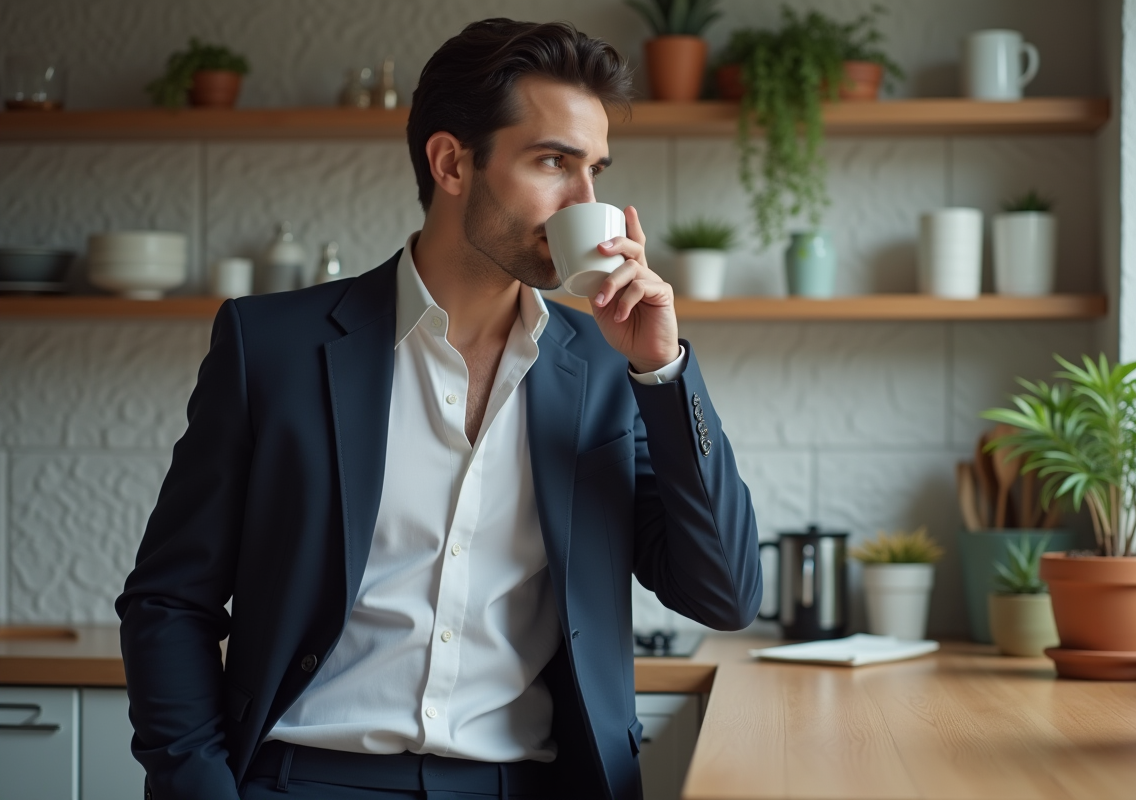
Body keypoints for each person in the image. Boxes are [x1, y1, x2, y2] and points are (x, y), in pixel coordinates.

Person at [117, 18, 761, 800]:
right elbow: (168, 599)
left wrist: (662, 369)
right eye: (554, 162)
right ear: (452, 163)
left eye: (596, 170)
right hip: (305, 779)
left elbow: (723, 594)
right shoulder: (272, 350)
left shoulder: (604, 370)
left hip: (524, 786)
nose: (587, 202)